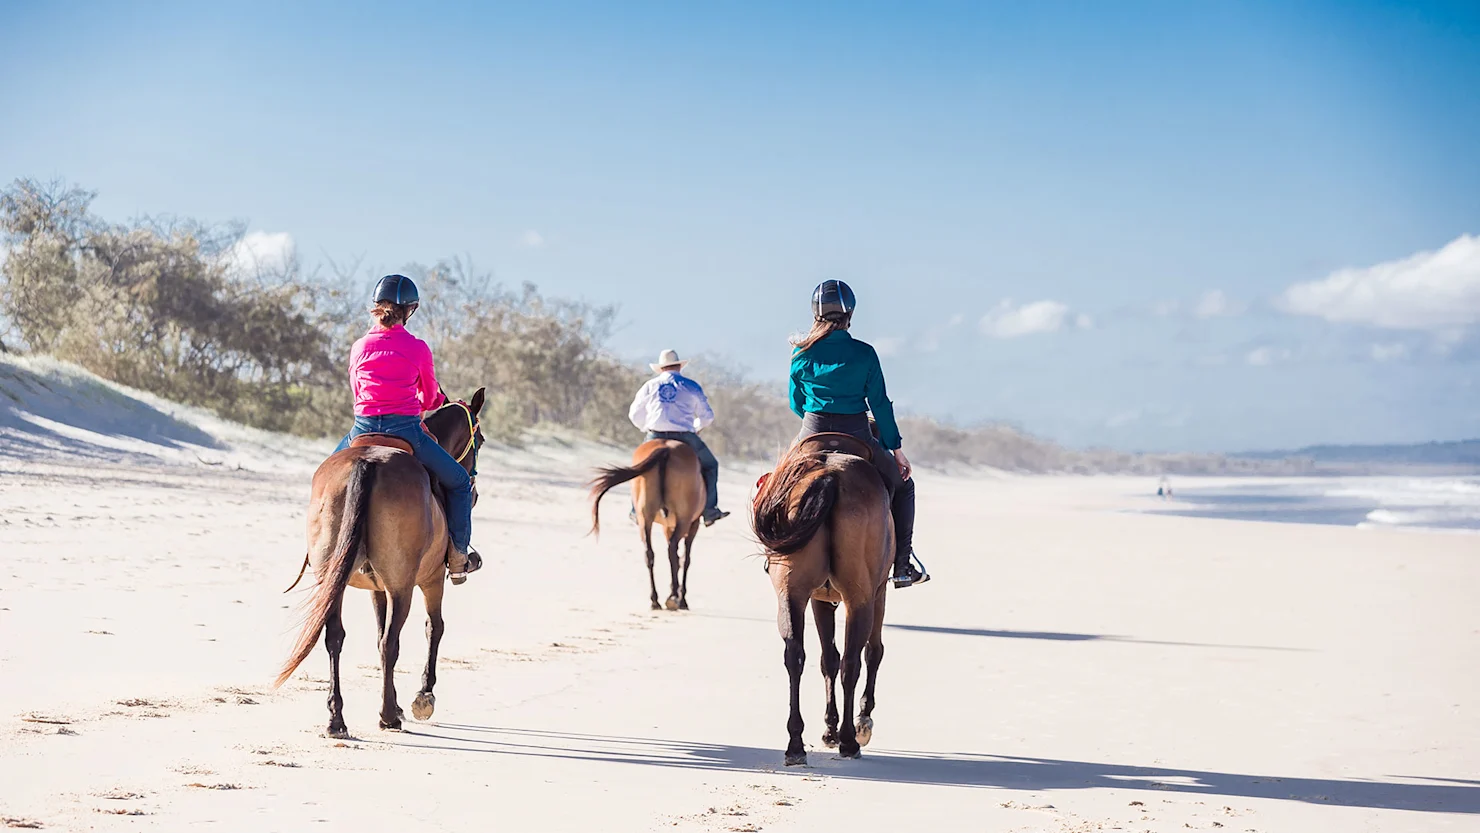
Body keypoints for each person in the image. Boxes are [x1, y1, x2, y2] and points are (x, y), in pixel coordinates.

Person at [332, 274, 481, 584]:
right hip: (406, 430)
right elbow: (430, 397)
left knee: (326, 477)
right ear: (410, 310)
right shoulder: (418, 348)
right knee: (458, 481)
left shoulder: (359, 346)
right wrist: (435, 400)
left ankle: (319, 551)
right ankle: (457, 557)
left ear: (376, 307)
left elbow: (357, 390)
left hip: (362, 428)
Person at [789, 280, 928, 588]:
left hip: (811, 433)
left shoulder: (801, 354)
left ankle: (776, 551)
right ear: (849, 313)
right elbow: (880, 404)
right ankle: (902, 565)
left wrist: (816, 421)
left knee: (776, 484)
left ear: (815, 313)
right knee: (904, 487)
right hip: (856, 432)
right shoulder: (865, 353)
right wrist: (896, 449)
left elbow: (796, 403)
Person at [627, 349, 730, 526]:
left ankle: (635, 510)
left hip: (655, 434)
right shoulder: (691, 386)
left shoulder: (649, 386)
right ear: (679, 367)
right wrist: (696, 427)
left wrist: (646, 427)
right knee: (711, 465)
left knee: (638, 467)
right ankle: (710, 510)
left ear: (661, 368)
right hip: (684, 437)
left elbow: (634, 414)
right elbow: (707, 416)